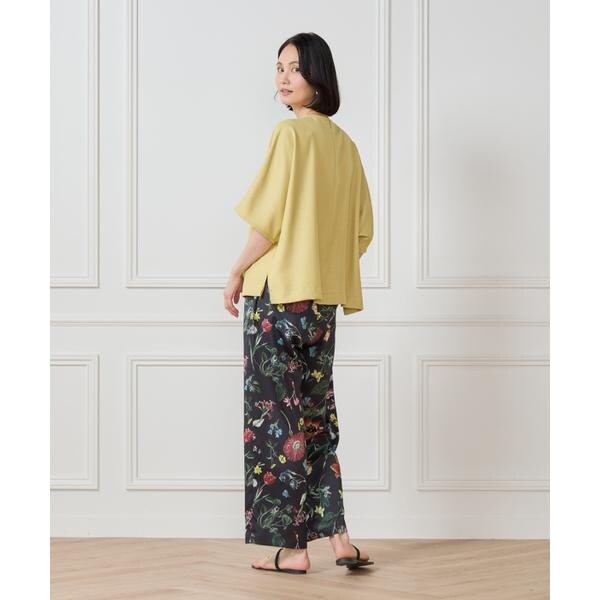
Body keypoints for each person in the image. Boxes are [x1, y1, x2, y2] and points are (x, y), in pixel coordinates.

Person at [224, 32, 374, 575]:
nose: (284, 78)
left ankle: (292, 551)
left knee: (277, 424)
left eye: (295, 68)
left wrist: (236, 271)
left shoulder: (289, 135)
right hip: (322, 306)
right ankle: (340, 540)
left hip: (277, 298)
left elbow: (267, 223)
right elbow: (362, 232)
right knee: (316, 419)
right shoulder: (346, 147)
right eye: (280, 67)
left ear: (318, 76)